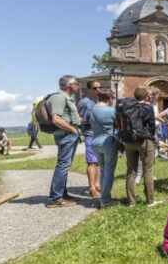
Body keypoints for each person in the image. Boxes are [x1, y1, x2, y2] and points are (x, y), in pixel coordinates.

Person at [46, 75, 82, 208]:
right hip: (66, 135)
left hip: (68, 134)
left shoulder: (66, 97)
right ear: (69, 85)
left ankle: (62, 194)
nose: (78, 86)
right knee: (63, 165)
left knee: (65, 166)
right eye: (76, 83)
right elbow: (56, 119)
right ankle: (55, 198)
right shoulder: (59, 97)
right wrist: (73, 129)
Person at [124, 86, 159, 207]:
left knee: (131, 171)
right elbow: (152, 125)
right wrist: (151, 137)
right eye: (149, 94)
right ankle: (150, 201)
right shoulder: (147, 107)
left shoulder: (127, 106)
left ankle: (131, 202)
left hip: (129, 141)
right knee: (148, 170)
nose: (150, 96)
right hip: (144, 141)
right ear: (145, 96)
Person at [89, 89, 118, 208]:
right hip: (108, 141)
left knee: (103, 170)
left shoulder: (92, 110)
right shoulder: (111, 111)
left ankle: (104, 197)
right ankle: (105, 200)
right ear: (109, 98)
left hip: (95, 141)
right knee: (109, 172)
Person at [78, 80, 101, 198]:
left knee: (99, 162)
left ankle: (97, 185)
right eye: (95, 88)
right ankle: (92, 188)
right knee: (92, 162)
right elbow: (78, 119)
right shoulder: (84, 102)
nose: (98, 90)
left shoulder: (96, 101)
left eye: (99, 88)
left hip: (99, 134)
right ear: (89, 89)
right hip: (90, 134)